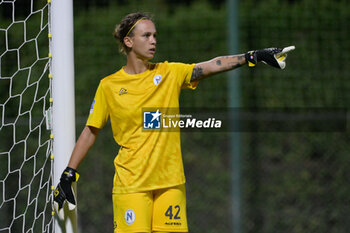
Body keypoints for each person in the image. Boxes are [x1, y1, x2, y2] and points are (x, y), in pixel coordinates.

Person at [53, 12, 294, 233]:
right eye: (146, 35)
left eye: (155, 35)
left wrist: (252, 56)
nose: (153, 41)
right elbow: (90, 130)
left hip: (171, 183)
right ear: (128, 41)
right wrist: (69, 173)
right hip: (132, 183)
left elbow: (211, 65)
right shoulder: (109, 86)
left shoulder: (169, 73)